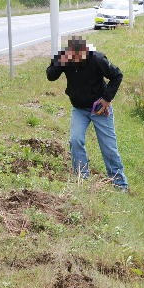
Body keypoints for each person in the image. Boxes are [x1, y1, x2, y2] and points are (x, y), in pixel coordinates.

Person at [46, 35, 128, 191]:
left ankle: (120, 184)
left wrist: (106, 99)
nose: (75, 60)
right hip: (79, 108)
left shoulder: (97, 59)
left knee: (108, 147)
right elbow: (51, 76)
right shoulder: (65, 57)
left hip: (99, 108)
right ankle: (81, 177)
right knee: (75, 140)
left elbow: (117, 75)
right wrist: (59, 61)